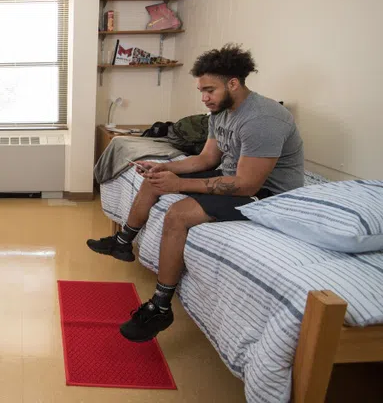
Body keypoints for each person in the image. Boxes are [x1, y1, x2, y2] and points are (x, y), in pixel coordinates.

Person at [87, 44, 304, 342]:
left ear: (233, 83)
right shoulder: (221, 112)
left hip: (268, 195)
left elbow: (248, 185)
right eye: (201, 90)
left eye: (209, 90)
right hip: (235, 177)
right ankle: (123, 241)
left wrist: (179, 185)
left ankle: (161, 306)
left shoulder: (263, 120)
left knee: (178, 215)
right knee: (157, 177)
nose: (204, 98)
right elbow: (206, 160)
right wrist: (166, 169)